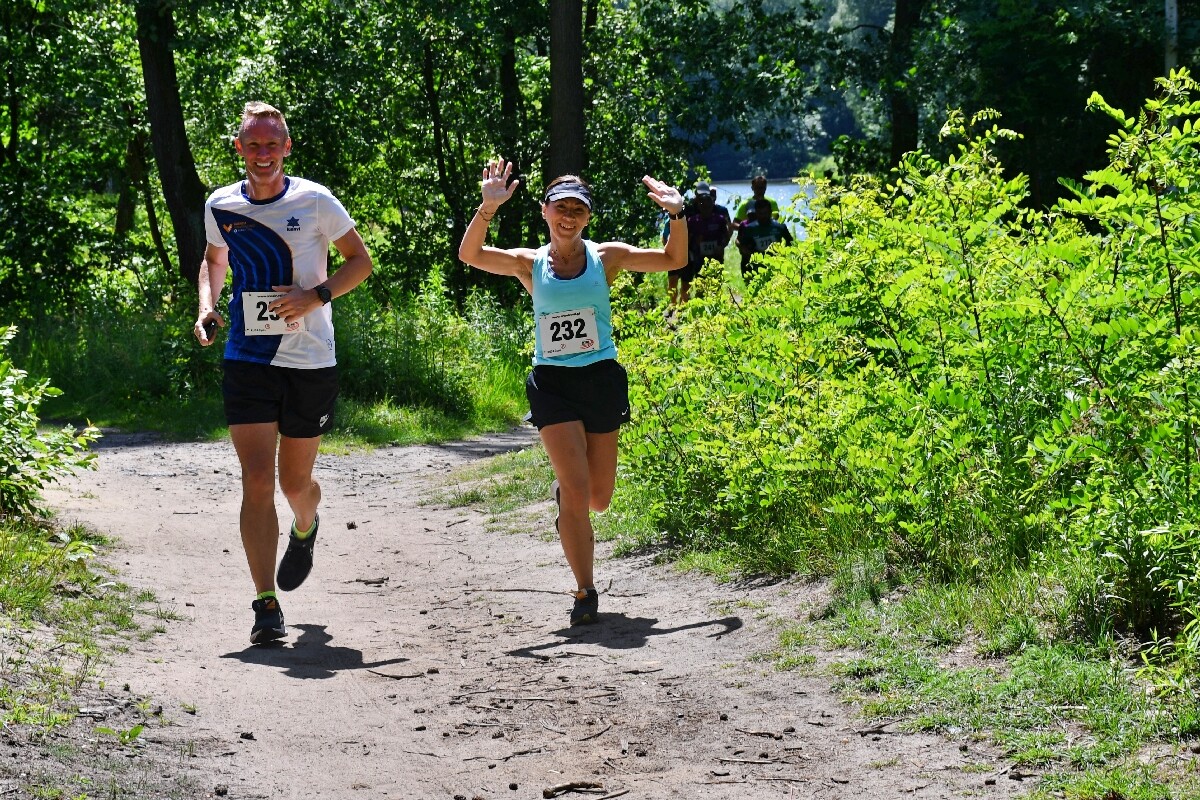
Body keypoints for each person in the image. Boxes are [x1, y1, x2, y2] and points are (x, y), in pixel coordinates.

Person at [457, 158, 686, 626]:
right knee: (580, 493)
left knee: (598, 498)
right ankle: (585, 590)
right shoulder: (529, 263)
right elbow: (471, 255)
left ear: (587, 217)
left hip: (600, 379)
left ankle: (566, 496)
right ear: (545, 211)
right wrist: (487, 207)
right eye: (560, 207)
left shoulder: (606, 258)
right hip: (553, 384)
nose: (568, 216)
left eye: (577, 209)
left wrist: (677, 214)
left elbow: (672, 260)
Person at [194, 101, 374, 645]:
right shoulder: (221, 203)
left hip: (309, 360)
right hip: (247, 357)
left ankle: (306, 524)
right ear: (239, 148)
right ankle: (265, 602)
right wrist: (206, 306)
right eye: (253, 144)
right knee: (256, 478)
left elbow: (360, 262)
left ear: (286, 148)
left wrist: (314, 296)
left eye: (272, 144)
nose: (263, 153)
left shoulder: (315, 200)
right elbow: (215, 260)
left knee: (295, 483)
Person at [669, 181, 730, 305]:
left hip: (716, 258)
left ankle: (717, 307)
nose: (705, 208)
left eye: (708, 205)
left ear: (712, 204)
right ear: (698, 205)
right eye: (703, 205)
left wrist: (721, 245)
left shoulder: (719, 219)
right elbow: (687, 238)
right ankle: (700, 307)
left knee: (716, 285)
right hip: (698, 259)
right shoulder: (692, 220)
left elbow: (726, 235)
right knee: (700, 286)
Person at [735, 197, 794, 278]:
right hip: (757, 268)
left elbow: (790, 241)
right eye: (760, 213)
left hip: (776, 266)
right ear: (756, 213)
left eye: (765, 213)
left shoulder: (779, 227)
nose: (763, 216)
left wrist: (784, 253)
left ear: (770, 212)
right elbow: (742, 246)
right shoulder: (749, 229)